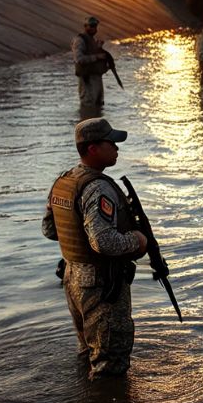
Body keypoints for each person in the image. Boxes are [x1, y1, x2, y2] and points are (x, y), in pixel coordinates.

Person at [42, 118, 148, 379]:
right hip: (103, 286)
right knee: (110, 367)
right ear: (92, 149)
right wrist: (138, 241)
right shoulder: (98, 188)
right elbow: (104, 242)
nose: (116, 147)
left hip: (73, 279)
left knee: (88, 355)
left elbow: (49, 230)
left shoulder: (64, 182)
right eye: (110, 142)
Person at [73, 16, 109, 108]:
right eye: (91, 26)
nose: (94, 28)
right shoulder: (80, 40)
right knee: (88, 107)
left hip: (96, 79)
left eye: (95, 26)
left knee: (98, 107)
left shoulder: (92, 40)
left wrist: (99, 49)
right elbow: (79, 59)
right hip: (87, 80)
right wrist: (97, 56)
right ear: (85, 26)